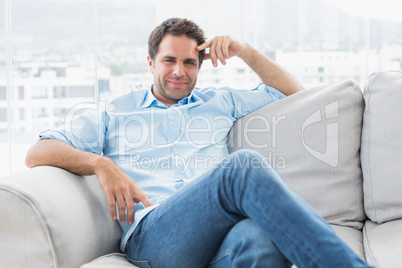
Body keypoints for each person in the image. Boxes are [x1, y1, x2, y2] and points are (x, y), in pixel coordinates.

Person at [25, 18, 371, 268]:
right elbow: (38, 151)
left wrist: (245, 52)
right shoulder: (117, 110)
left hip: (219, 242)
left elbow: (294, 94)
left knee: (259, 237)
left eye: (190, 62)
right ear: (150, 63)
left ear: (201, 65)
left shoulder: (220, 101)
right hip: (156, 240)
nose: (180, 71)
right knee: (241, 168)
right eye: (169, 60)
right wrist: (102, 164)